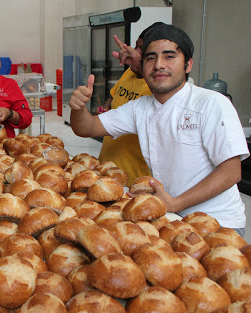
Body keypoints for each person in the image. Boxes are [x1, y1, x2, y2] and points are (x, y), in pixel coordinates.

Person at [69, 24, 249, 235]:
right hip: (171, 217)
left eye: (169, 57)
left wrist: (175, 203)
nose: (159, 65)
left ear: (188, 65)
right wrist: (78, 108)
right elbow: (87, 127)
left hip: (218, 222)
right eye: (151, 58)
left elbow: (231, 171)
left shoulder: (210, 103)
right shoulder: (140, 108)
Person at [96, 24, 165, 186]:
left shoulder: (159, 86)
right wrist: (106, 108)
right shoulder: (129, 72)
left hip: (134, 179)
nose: (135, 51)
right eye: (136, 46)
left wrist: (142, 66)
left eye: (142, 49)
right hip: (106, 167)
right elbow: (113, 95)